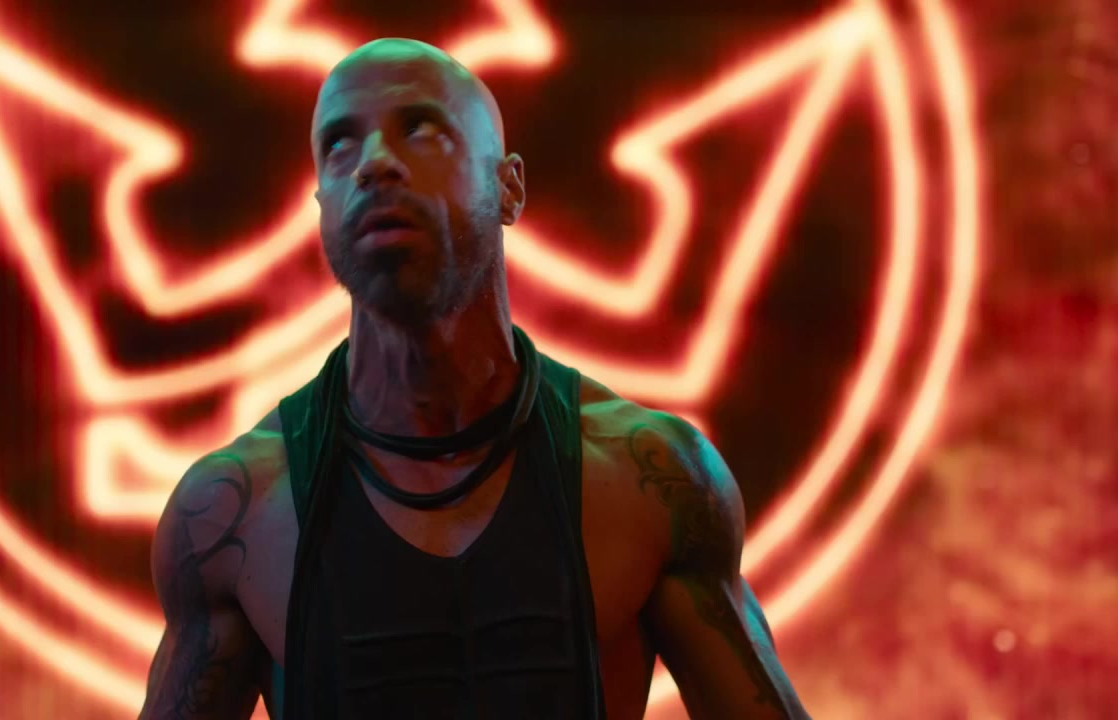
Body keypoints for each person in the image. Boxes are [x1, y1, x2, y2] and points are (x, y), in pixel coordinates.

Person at [138, 37, 810, 720]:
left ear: (509, 188)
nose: (374, 162)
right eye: (339, 144)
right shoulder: (235, 511)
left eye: (421, 129)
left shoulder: (653, 480)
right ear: (322, 206)